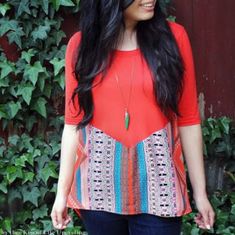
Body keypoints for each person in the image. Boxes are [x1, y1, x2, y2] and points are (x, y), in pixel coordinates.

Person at [50, 0, 215, 234]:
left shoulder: (173, 39)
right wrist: (61, 195)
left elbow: (188, 120)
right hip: (98, 191)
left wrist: (200, 194)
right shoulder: (82, 45)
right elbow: (73, 124)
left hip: (160, 188)